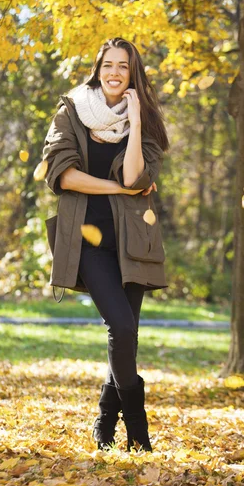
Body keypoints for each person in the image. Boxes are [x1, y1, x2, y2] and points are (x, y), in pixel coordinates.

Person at [42, 37, 170, 452]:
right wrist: (115, 189)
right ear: (97, 69)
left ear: (133, 74)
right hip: (86, 240)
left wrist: (135, 116)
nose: (115, 73)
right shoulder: (72, 112)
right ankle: (137, 426)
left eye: (123, 67)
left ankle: (104, 417)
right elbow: (63, 177)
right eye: (108, 65)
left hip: (134, 243)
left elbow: (137, 178)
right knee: (120, 325)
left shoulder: (144, 118)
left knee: (127, 336)